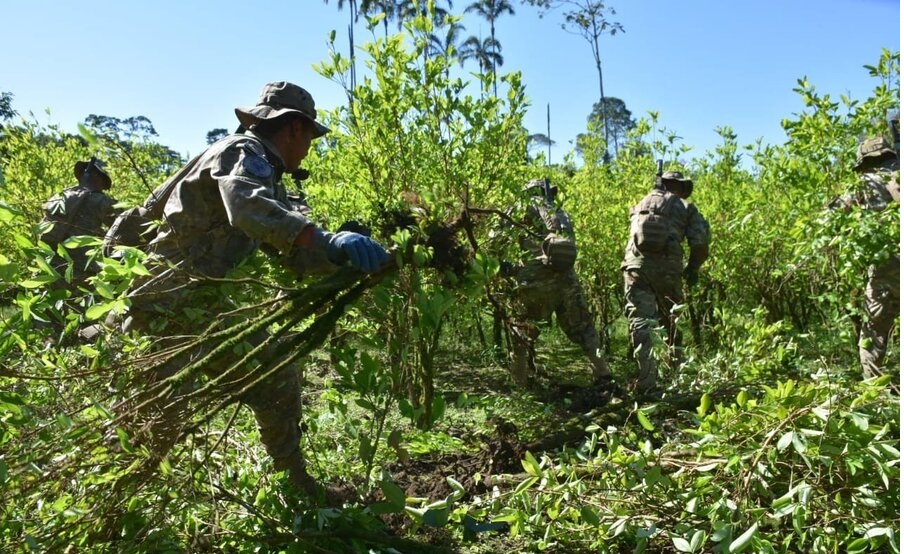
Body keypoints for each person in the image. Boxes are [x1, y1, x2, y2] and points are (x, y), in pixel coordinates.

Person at [111, 81, 388, 503]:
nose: (310, 147)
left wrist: (339, 254)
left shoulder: (267, 177)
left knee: (270, 375)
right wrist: (323, 238)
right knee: (155, 419)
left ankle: (294, 486)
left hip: (194, 304)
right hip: (167, 301)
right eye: (310, 137)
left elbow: (292, 257)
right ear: (293, 129)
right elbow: (247, 207)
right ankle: (115, 505)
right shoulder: (242, 152)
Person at [498, 178, 616, 395]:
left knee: (522, 331)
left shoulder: (520, 207)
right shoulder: (560, 211)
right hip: (567, 279)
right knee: (584, 328)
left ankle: (520, 386)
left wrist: (505, 267)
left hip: (534, 279)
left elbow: (497, 238)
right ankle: (604, 375)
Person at [622, 169, 710, 395]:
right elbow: (700, 244)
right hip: (668, 271)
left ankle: (646, 381)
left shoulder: (641, 202)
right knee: (671, 322)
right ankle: (675, 374)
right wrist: (692, 269)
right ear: (678, 187)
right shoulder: (685, 207)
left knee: (640, 322)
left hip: (636, 268)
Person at [840, 134, 900, 379]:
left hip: (886, 269)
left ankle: (874, 396)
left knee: (873, 334)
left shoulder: (865, 183)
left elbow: (831, 215)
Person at [39, 157, 119, 287]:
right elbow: (126, 223)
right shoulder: (100, 201)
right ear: (97, 177)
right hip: (80, 269)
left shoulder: (60, 196)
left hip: (50, 264)